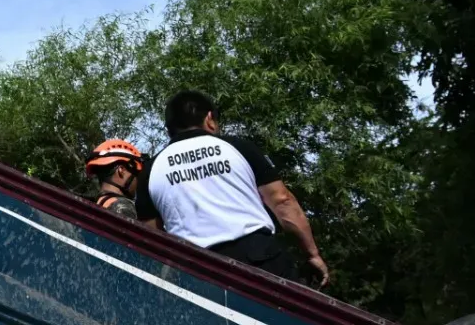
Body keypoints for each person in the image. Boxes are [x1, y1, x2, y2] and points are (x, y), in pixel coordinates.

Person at [136, 90, 329, 286]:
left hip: (197, 271)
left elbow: (153, 237)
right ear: (210, 119)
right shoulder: (238, 147)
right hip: (260, 258)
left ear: (169, 129)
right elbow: (282, 201)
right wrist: (312, 253)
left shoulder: (151, 170)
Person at [85, 139, 145, 220]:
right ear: (121, 170)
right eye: (136, 174)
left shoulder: (94, 206)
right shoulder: (123, 208)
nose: (137, 180)